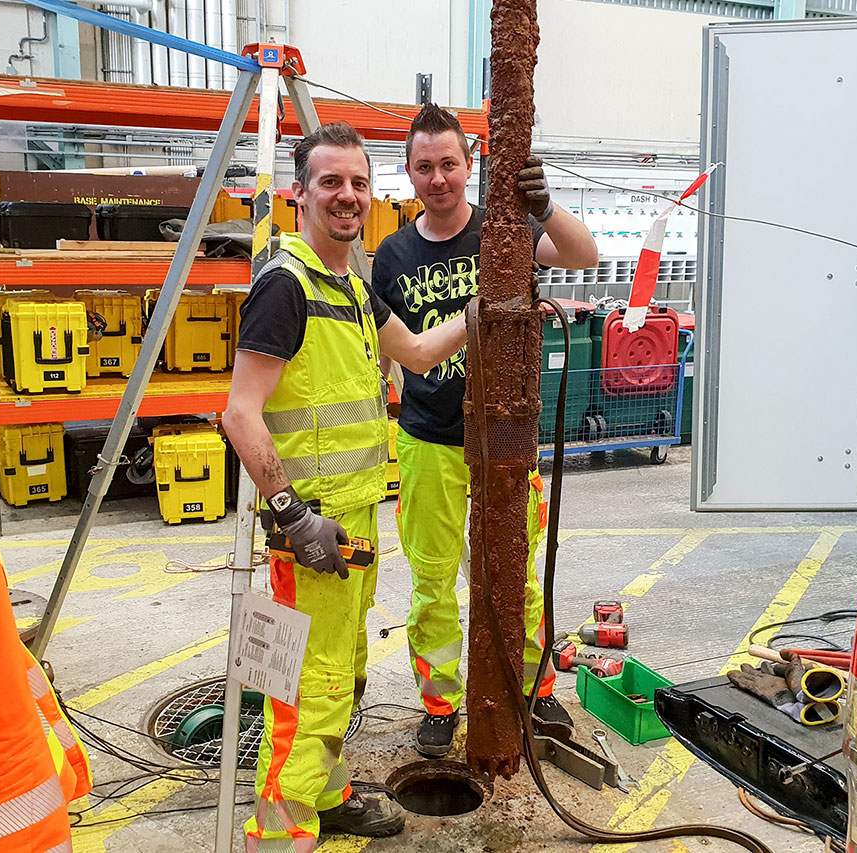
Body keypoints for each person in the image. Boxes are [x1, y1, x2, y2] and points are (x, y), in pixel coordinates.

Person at [223, 121, 469, 851]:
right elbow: (240, 413)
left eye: (359, 183)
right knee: (311, 684)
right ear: (299, 194)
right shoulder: (285, 285)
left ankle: (325, 795)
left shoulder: (355, 290)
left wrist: (480, 312)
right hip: (313, 533)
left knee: (344, 671)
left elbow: (421, 352)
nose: (347, 196)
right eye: (331, 182)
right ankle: (280, 832)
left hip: (355, 523)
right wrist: (293, 516)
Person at [372, 103, 600, 758]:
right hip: (428, 439)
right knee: (433, 579)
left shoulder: (504, 230)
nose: (439, 177)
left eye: (449, 163)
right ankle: (441, 701)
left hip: (505, 439)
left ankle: (534, 687)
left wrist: (545, 205)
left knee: (516, 572)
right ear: (410, 174)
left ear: (468, 166)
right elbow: (397, 350)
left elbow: (584, 253)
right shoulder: (393, 255)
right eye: (425, 166)